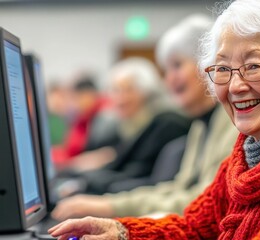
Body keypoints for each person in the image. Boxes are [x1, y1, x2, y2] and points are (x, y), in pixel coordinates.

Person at [49, 0, 260, 239]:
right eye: (223, 69)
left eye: (253, 66)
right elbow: (195, 228)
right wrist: (121, 231)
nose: (235, 86)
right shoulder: (249, 154)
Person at [51, 14, 238, 220]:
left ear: (207, 65)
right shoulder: (201, 124)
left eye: (177, 65)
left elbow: (203, 202)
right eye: (166, 70)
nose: (169, 79)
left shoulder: (232, 123)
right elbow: (178, 189)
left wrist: (110, 208)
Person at [55, 58, 192, 195]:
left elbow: (141, 176)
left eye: (128, 90)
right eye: (116, 90)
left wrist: (85, 185)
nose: (120, 98)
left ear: (146, 92)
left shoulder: (166, 125)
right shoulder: (128, 126)